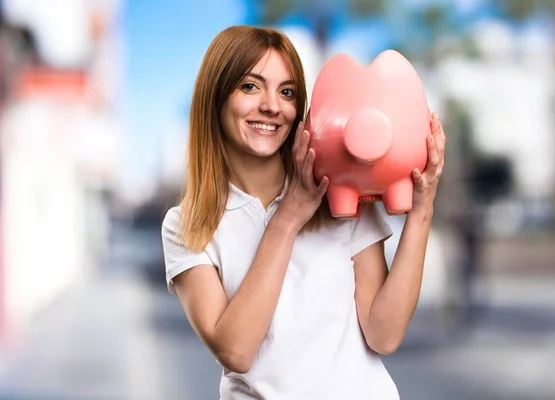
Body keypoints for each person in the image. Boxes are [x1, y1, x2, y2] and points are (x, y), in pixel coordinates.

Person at [161, 25, 446, 400]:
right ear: (215, 98)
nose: (272, 106)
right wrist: (289, 217)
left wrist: (422, 208)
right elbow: (236, 350)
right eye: (250, 86)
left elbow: (385, 334)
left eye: (287, 92)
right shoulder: (187, 225)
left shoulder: (340, 192)